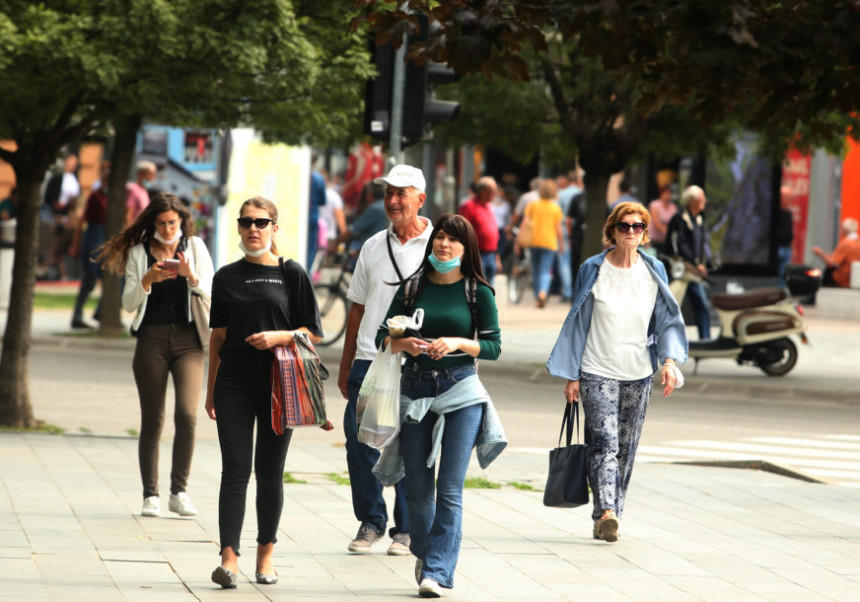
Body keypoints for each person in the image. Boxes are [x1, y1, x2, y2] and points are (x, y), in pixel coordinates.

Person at [374, 213, 504, 598]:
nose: (444, 245)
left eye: (454, 240)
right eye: (440, 239)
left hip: (461, 391)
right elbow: (383, 335)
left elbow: (494, 347)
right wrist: (404, 343)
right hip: (414, 389)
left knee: (449, 488)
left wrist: (458, 343)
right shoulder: (413, 287)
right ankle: (426, 551)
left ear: (467, 249)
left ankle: (437, 570)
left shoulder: (477, 291)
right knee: (416, 485)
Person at [546, 201, 687, 544]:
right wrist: (572, 374)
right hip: (597, 369)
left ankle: (609, 515)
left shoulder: (654, 271)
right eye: (623, 226)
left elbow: (667, 320)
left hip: (639, 372)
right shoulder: (592, 268)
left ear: (644, 233)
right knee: (604, 444)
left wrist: (669, 361)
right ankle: (607, 510)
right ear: (612, 230)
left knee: (625, 447)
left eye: (637, 227)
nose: (630, 232)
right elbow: (578, 322)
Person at [205, 197, 322, 588]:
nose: (252, 228)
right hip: (234, 380)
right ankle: (228, 558)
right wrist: (210, 391)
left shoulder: (292, 274)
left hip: (279, 382)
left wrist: (281, 336)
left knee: (269, 472)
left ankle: (266, 554)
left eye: (261, 222)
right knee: (234, 469)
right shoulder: (225, 276)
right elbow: (218, 337)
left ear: (275, 228)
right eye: (245, 222)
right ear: (238, 227)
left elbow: (313, 333)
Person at [98, 192, 214, 519]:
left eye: (172, 223)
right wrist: (147, 279)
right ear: (153, 224)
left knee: (187, 416)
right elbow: (128, 303)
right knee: (153, 419)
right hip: (151, 338)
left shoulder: (194, 247)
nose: (166, 228)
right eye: (161, 223)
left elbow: (212, 291)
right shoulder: (139, 253)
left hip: (189, 340)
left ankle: (180, 491)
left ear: (181, 222)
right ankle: (151, 494)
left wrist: (191, 277)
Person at [338, 164, 434, 557]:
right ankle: (371, 520)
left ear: (420, 199)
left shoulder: (440, 245)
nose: (393, 201)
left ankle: (407, 529)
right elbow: (357, 308)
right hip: (370, 361)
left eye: (401, 193)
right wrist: (346, 366)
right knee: (360, 444)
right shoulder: (373, 245)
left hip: (417, 364)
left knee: (411, 446)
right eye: (388, 193)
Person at [667, 185, 713, 340]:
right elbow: (680, 244)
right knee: (672, 305)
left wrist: (704, 262)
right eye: (701, 198)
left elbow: (701, 244)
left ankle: (705, 339)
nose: (704, 201)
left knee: (702, 305)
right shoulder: (679, 218)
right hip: (681, 271)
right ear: (693, 201)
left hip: (694, 272)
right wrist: (695, 262)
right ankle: (665, 339)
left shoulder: (698, 219)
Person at [69, 162, 110, 329]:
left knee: (111, 279)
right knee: (89, 280)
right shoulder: (96, 196)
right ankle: (77, 316)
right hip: (94, 237)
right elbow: (83, 221)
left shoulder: (114, 197)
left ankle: (100, 312)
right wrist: (75, 244)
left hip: (105, 237)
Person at [523, 178, 564, 308]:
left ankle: (537, 297)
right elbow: (558, 227)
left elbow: (525, 223)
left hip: (533, 241)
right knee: (545, 270)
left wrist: (518, 241)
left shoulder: (533, 205)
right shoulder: (555, 207)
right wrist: (562, 243)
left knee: (535, 270)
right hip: (549, 242)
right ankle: (542, 293)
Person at [458, 176, 500, 286]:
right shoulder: (469, 206)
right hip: (476, 252)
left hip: (490, 252)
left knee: (489, 283)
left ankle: (488, 303)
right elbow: (462, 229)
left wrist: (497, 257)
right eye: (493, 191)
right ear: (483, 191)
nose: (495, 194)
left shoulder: (488, 206)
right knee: (480, 283)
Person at [813, 217, 860, 288]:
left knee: (828, 271)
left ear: (846, 230)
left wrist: (820, 253)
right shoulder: (857, 242)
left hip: (844, 279)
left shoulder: (846, 243)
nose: (840, 230)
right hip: (854, 277)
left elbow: (831, 263)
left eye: (841, 228)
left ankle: (815, 296)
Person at [647, 185, 677, 255]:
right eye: (666, 193)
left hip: (665, 240)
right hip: (653, 239)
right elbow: (656, 223)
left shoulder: (673, 207)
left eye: (669, 193)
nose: (668, 195)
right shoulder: (655, 205)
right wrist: (668, 232)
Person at [125, 160, 157, 227]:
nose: (153, 177)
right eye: (151, 173)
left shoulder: (144, 190)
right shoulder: (133, 189)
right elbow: (127, 215)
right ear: (141, 173)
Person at [775, 188, 794, 289]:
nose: (789, 200)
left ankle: (781, 292)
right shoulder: (775, 211)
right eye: (787, 197)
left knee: (784, 274)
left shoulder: (788, 212)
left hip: (786, 247)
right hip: (777, 247)